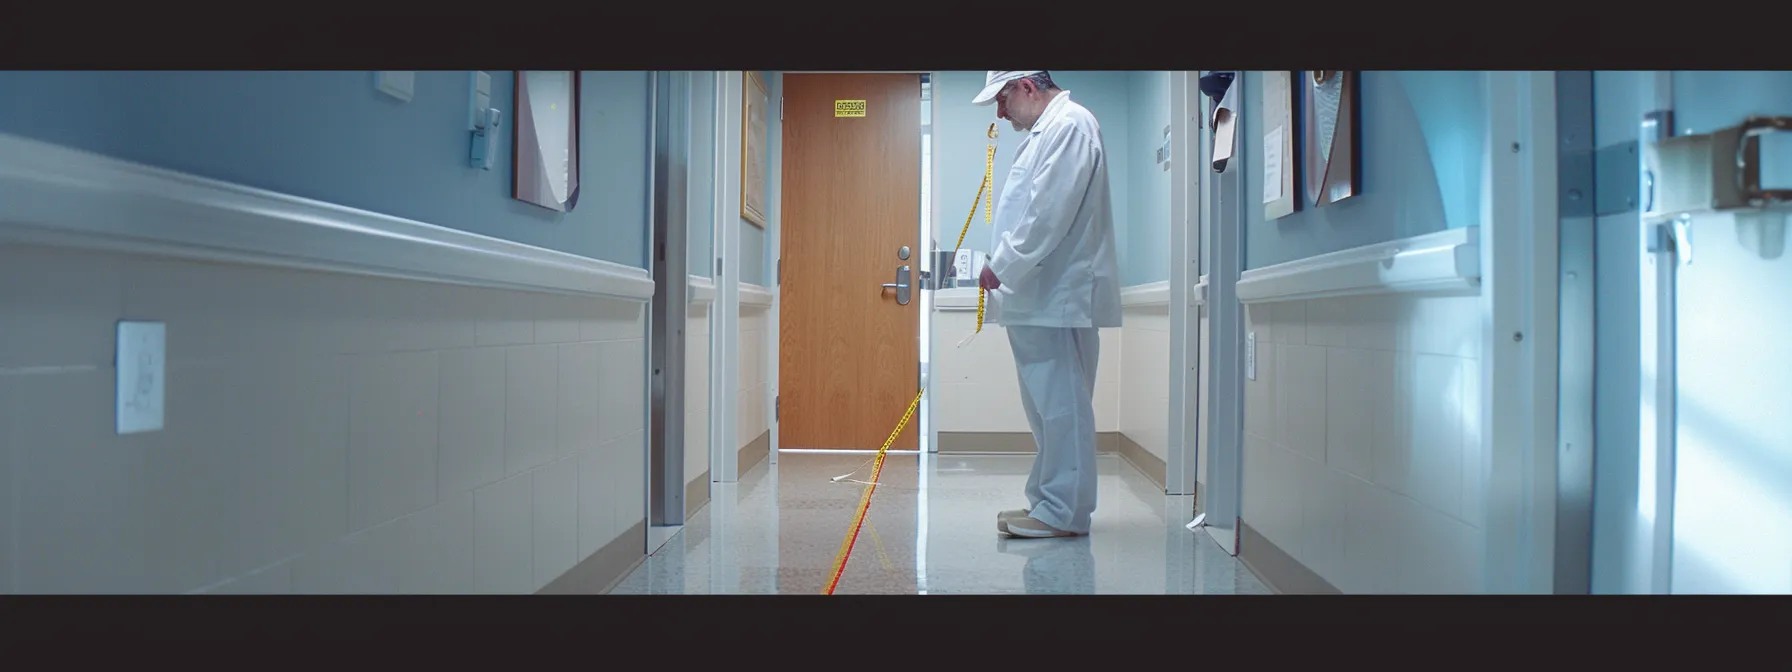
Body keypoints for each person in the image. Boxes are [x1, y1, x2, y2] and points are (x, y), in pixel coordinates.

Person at [972, 71, 1121, 539]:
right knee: (1047, 410)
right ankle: (1048, 503)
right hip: (1039, 295)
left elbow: (1047, 213)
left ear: (1027, 87)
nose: (1000, 113)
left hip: (1056, 294)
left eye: (1001, 100)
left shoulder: (1070, 126)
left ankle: (1063, 512)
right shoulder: (1049, 130)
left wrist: (1003, 264)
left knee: (1062, 409)